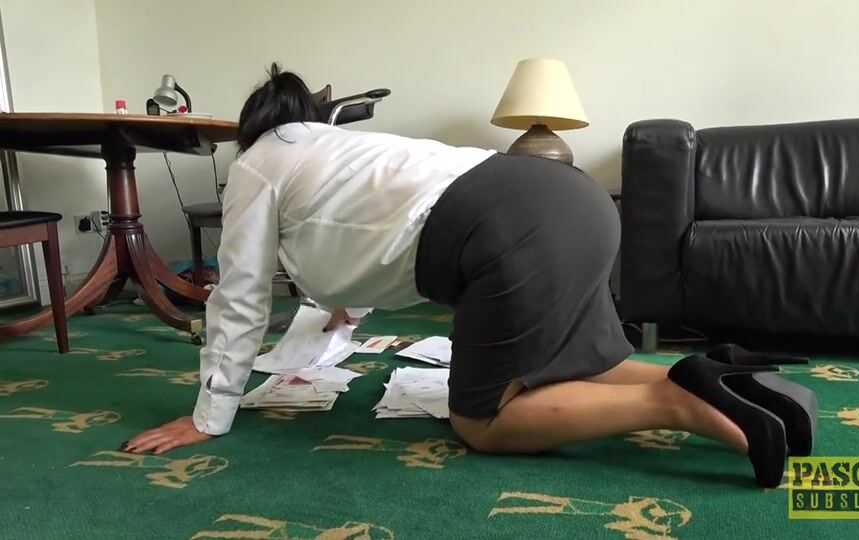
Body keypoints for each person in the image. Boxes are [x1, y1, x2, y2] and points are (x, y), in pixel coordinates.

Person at [123, 63, 815, 487]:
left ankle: (677, 401)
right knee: (586, 364)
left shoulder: (255, 164)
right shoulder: (343, 148)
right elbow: (373, 236)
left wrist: (209, 416)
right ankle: (733, 388)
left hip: (509, 233)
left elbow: (239, 297)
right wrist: (343, 309)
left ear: (249, 134)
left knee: (482, 420)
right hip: (574, 200)